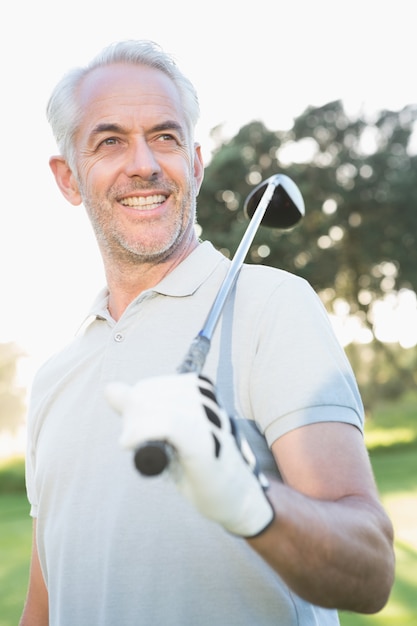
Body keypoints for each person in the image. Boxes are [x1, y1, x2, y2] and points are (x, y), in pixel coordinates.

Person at [20, 40, 395, 626]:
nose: (143, 163)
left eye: (165, 137)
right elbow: (44, 608)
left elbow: (371, 571)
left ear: (194, 164)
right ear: (69, 178)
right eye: (110, 140)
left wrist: (253, 503)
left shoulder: (273, 305)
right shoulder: (51, 380)